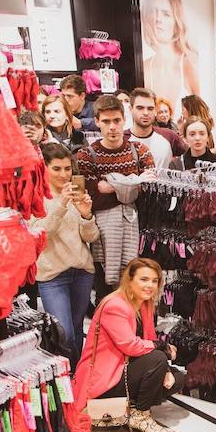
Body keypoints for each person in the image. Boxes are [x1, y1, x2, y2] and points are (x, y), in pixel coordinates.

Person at [73, 257, 184, 432]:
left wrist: (166, 370)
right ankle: (141, 416)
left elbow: (148, 339)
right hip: (105, 378)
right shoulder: (115, 305)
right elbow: (131, 347)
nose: (150, 285)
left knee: (176, 378)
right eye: (144, 279)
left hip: (123, 369)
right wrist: (162, 347)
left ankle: (131, 407)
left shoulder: (144, 304)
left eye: (154, 281)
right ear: (130, 279)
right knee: (158, 359)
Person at [77, 94, 155, 300]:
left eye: (116, 121)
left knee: (136, 290)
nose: (112, 127)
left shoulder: (140, 151)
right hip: (102, 235)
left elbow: (146, 192)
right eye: (106, 121)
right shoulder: (86, 155)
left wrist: (112, 185)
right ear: (96, 122)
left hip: (138, 228)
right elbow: (94, 197)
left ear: (124, 119)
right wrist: (132, 182)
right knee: (106, 293)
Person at [30, 143, 99, 365]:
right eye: (57, 168)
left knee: (78, 331)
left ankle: (76, 381)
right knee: (64, 334)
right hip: (52, 275)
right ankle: (66, 381)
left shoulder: (77, 194)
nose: (64, 174)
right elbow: (41, 235)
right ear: (45, 168)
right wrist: (61, 205)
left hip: (82, 271)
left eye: (68, 168)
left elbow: (91, 237)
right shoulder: (35, 198)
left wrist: (87, 216)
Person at [141, 0, 200, 109]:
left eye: (166, 14)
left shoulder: (188, 64)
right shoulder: (145, 68)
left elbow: (200, 115)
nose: (158, 19)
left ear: (176, 21)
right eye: (153, 12)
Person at [127, 87, 174, 168]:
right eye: (140, 108)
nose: (145, 113)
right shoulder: (122, 139)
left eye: (150, 108)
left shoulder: (169, 135)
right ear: (131, 109)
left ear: (155, 110)